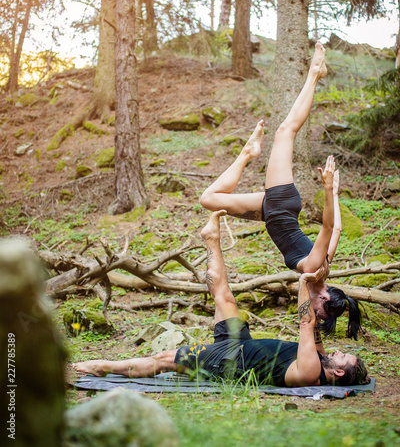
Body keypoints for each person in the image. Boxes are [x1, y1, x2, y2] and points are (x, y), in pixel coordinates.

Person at [72, 211, 369, 388]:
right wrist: (320, 289)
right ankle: (211, 237)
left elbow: (306, 322)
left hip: (230, 362)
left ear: (339, 371)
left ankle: (104, 367)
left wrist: (304, 281)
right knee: (224, 295)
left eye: (344, 356)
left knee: (164, 360)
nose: (339, 351)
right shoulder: (318, 357)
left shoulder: (310, 372)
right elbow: (315, 319)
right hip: (242, 346)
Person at [199, 42, 362, 339]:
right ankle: (315, 73)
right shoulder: (314, 268)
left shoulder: (324, 269)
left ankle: (248, 152)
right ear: (324, 297)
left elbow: (337, 230)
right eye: (318, 309)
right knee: (285, 131)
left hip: (269, 212)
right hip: (281, 204)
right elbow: (327, 227)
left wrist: (336, 193)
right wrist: (327, 189)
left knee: (209, 199)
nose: (312, 310)